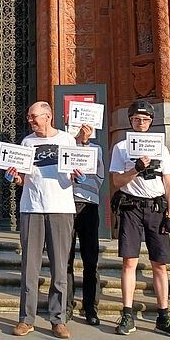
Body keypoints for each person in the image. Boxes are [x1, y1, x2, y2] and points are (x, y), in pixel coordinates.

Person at [8, 101, 83, 339]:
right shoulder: (26, 142)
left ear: (48, 116)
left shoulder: (67, 141)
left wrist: (77, 175)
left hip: (61, 207)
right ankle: (26, 319)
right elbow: (22, 178)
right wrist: (15, 178)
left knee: (60, 267)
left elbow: (76, 174)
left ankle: (57, 319)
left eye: (33, 117)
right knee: (30, 267)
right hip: (31, 208)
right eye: (29, 117)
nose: (30, 120)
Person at [109, 100, 170, 337]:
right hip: (131, 206)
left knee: (159, 263)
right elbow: (117, 182)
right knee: (129, 261)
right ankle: (127, 313)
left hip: (156, 207)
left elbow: (169, 183)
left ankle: (163, 315)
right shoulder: (120, 147)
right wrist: (135, 169)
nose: (141, 123)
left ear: (151, 122)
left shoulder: (162, 148)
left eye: (146, 120)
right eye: (137, 119)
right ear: (130, 120)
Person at [65, 124, 106, 326]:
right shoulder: (64, 147)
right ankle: (66, 307)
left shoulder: (95, 149)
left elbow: (96, 171)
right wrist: (75, 142)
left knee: (91, 261)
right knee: (66, 260)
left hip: (89, 206)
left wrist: (85, 141)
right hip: (66, 205)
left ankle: (91, 308)